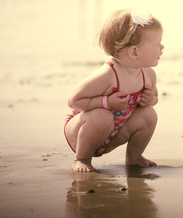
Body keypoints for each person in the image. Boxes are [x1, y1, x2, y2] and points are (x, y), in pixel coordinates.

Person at [64, 9, 164, 172]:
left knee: (149, 113)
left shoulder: (148, 74)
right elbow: (74, 100)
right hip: (83, 132)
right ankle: (81, 159)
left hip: (113, 134)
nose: (162, 47)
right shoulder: (108, 75)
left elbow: (155, 98)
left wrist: (150, 99)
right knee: (102, 115)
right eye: (157, 44)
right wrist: (106, 102)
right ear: (134, 52)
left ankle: (134, 157)